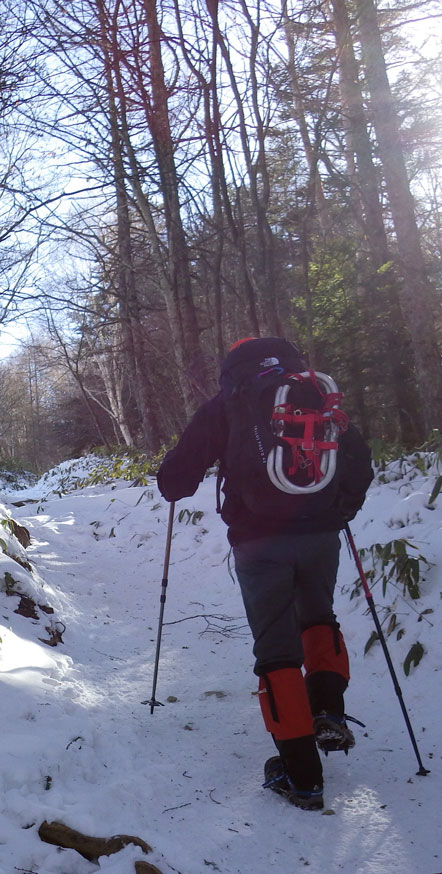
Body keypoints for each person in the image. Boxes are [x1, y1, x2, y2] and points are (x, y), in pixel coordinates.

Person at [157, 337, 374, 811]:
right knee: (319, 617)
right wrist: (341, 510)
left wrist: (171, 477)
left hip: (259, 543)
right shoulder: (314, 394)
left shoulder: (228, 403)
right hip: (321, 534)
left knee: (276, 651)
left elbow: (176, 479)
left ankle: (302, 777)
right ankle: (328, 710)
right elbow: (358, 460)